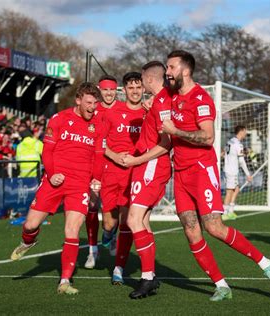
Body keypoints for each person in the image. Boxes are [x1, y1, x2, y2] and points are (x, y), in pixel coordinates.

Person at [161, 50, 270, 301]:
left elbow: (207, 137)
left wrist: (176, 131)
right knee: (191, 231)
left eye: (171, 67)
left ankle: (265, 262)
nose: (167, 72)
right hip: (180, 174)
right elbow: (154, 88)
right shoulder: (171, 97)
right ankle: (221, 285)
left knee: (214, 227)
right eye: (166, 67)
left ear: (185, 70)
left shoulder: (201, 99)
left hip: (201, 170)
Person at [9, 82, 100, 295]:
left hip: (80, 185)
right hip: (54, 180)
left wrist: (96, 178)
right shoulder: (59, 119)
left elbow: (97, 155)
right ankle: (28, 241)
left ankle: (64, 281)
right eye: (89, 103)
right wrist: (52, 173)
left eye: (95, 103)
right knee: (30, 225)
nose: (93, 107)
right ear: (78, 100)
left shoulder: (98, 123)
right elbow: (47, 151)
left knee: (71, 230)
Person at [120, 61, 172, 298]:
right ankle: (150, 275)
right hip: (145, 165)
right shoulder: (159, 102)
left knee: (133, 220)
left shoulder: (162, 102)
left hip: (151, 165)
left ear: (149, 79)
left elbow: (166, 144)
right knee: (142, 222)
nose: (140, 85)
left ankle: (147, 277)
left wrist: (136, 161)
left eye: (141, 80)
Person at [98, 72, 145, 285]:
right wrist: (115, 156)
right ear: (124, 90)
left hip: (134, 174)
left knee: (127, 221)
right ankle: (108, 236)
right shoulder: (111, 112)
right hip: (111, 172)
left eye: (138, 87)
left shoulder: (148, 113)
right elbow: (100, 143)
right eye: (131, 87)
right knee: (109, 223)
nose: (135, 91)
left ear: (143, 89)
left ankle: (118, 268)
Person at [84, 74, 123, 269]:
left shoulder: (124, 109)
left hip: (116, 170)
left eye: (112, 89)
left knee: (110, 221)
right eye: (105, 89)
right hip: (93, 166)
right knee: (91, 208)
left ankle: (109, 235)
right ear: (99, 90)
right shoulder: (92, 110)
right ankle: (93, 251)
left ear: (116, 90)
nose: (108, 93)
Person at [222, 125, 252, 220]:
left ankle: (230, 210)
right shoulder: (238, 144)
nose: (246, 133)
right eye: (245, 131)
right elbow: (241, 161)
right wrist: (248, 174)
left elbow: (225, 153)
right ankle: (225, 213)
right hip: (231, 170)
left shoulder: (230, 141)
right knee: (229, 192)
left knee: (236, 189)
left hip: (227, 169)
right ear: (241, 131)